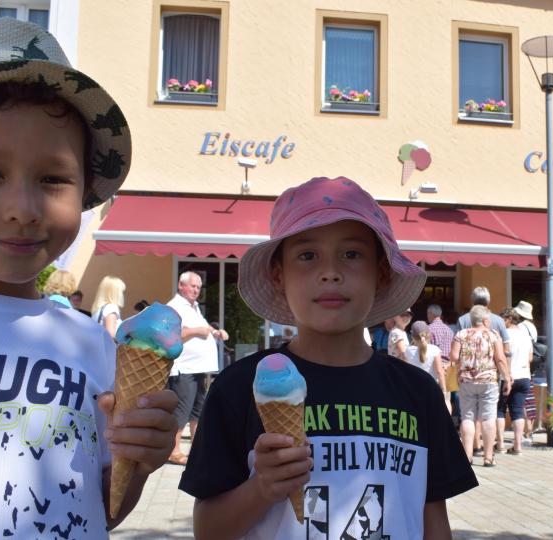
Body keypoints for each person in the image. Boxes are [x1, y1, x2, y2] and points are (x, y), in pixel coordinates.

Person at [0, 18, 177, 537]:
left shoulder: (95, 344)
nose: (23, 208)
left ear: (85, 190)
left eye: (52, 179)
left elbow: (98, 510)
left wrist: (139, 462)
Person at [181, 176, 477, 539]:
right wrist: (261, 489)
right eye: (307, 256)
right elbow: (207, 530)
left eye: (352, 254)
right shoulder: (239, 388)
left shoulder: (418, 392)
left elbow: (433, 523)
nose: (330, 272)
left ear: (380, 273)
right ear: (279, 275)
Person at [166, 271, 229, 466]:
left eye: (198, 287)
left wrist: (214, 332)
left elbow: (201, 331)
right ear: (180, 285)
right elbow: (172, 334)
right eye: (192, 286)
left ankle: (197, 449)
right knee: (181, 411)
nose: (196, 290)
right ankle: (174, 451)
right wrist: (198, 331)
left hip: (199, 367)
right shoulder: (174, 307)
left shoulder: (194, 308)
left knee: (198, 411)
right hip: (184, 367)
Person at [451, 304, 513, 467]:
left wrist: (464, 363)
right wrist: (507, 378)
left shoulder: (461, 334)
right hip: (488, 381)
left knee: (468, 417)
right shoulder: (494, 335)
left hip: (466, 381)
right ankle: (488, 457)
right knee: (488, 417)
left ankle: (467, 456)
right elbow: (500, 358)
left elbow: (454, 356)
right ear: (486, 320)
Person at [496, 302, 536, 455]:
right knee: (518, 410)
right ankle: (518, 446)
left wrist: (506, 374)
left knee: (500, 410)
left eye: (502, 319)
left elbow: (501, 356)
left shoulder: (504, 336)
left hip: (507, 376)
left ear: (508, 319)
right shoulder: (526, 336)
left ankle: (500, 444)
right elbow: (530, 357)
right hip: (524, 376)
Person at [408, 320, 450, 411]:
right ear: (429, 335)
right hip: (431, 388)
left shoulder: (408, 351)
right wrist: (444, 390)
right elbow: (439, 372)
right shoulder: (435, 350)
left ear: (412, 336)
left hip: (414, 389)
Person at [428, 304, 460, 424]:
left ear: (431, 314)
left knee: (433, 398)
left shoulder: (428, 329)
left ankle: (435, 423)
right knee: (446, 398)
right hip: (449, 365)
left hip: (435, 366)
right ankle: (447, 424)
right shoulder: (449, 330)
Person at [92, 275, 126, 339]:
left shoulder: (98, 308)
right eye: (121, 291)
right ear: (115, 292)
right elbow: (110, 336)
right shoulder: (111, 308)